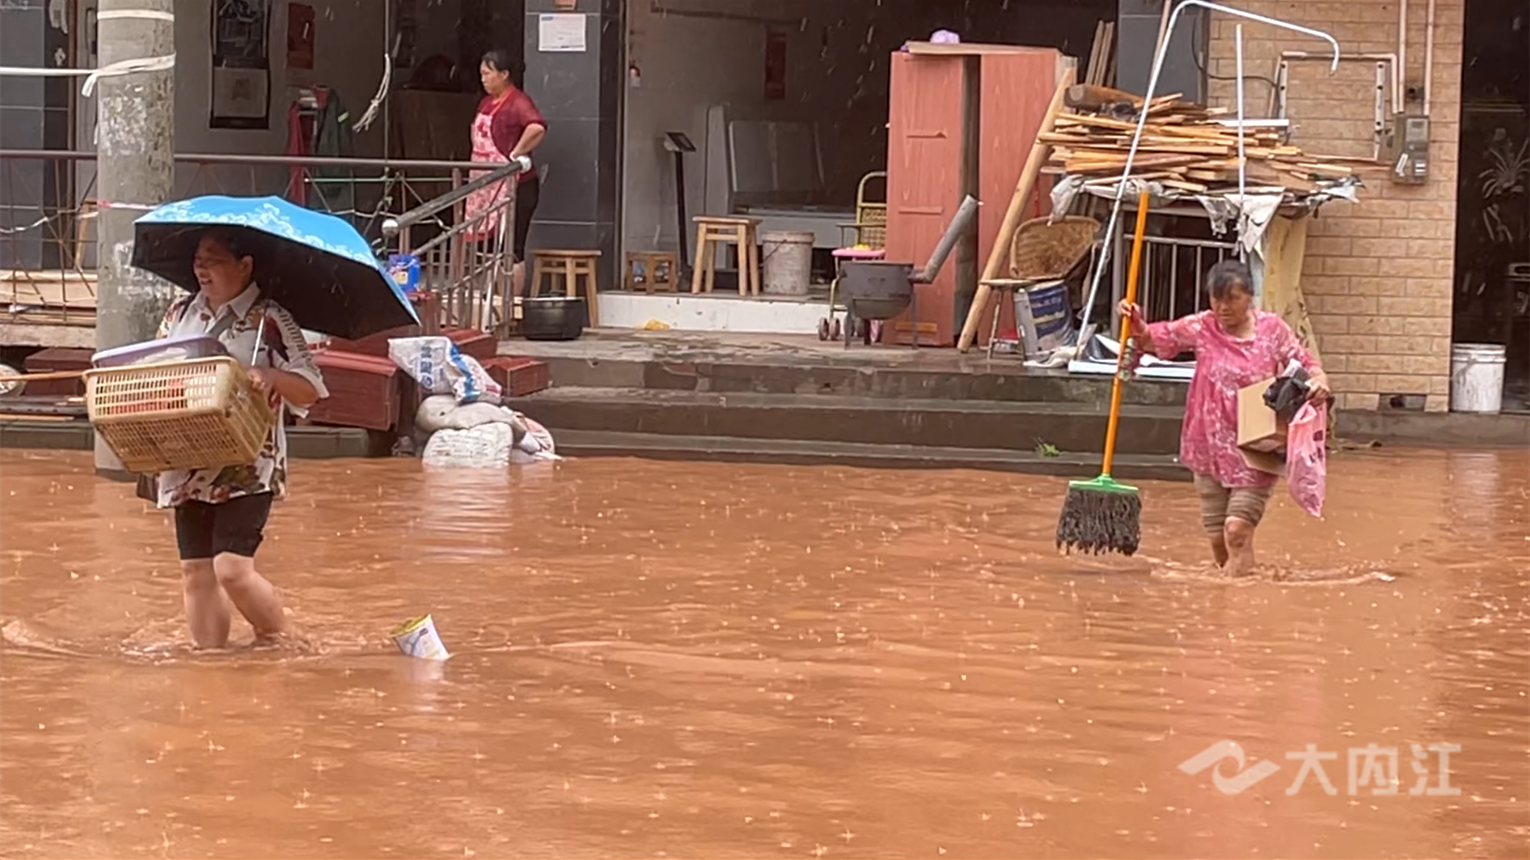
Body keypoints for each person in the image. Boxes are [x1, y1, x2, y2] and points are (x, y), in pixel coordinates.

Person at [153, 229, 329, 648]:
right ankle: (211, 662)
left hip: (248, 461)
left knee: (231, 569)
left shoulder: (270, 318)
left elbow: (311, 388)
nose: (201, 269)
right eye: (198, 260)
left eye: (213, 260)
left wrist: (270, 375)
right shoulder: (179, 312)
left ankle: (281, 639)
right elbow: (155, 366)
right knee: (196, 571)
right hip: (186, 456)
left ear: (245, 265)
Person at [1117, 258, 1330, 576]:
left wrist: (1320, 383)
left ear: (1250, 297)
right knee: (1219, 542)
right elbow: (1153, 340)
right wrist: (1134, 320)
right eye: (1216, 299)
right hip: (1207, 447)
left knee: (1236, 531)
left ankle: (1239, 599)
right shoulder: (1202, 326)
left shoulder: (1271, 330)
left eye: (1232, 299)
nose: (1223, 308)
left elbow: (1308, 364)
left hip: (1255, 446)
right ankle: (1236, 591)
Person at [467, 49, 546, 298]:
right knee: (489, 248)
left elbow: (536, 127)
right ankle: (494, 298)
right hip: (487, 185)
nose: (483, 79)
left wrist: (516, 153)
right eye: (481, 74)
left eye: (488, 73)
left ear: (504, 74)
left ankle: (511, 302)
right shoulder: (485, 102)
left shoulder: (518, 102)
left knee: (511, 247)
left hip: (516, 185)